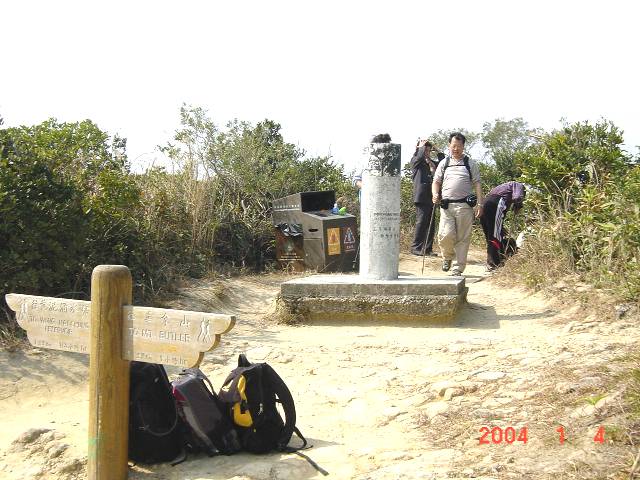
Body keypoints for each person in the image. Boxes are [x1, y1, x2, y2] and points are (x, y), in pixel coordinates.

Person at [432, 132, 483, 276]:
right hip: (446, 206)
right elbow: (436, 182)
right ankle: (447, 257)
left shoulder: (470, 163)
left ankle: (458, 268)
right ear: (449, 145)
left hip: (464, 207)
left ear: (463, 146)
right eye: (454, 146)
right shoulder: (444, 163)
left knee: (462, 238)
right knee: (445, 234)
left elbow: (477, 184)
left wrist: (480, 204)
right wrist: (435, 194)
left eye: (459, 146)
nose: (456, 149)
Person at [480, 181, 526, 270]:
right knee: (495, 235)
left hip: (485, 204)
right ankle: (495, 263)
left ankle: (493, 260)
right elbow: (518, 197)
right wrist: (518, 205)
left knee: (491, 234)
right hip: (495, 204)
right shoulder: (519, 185)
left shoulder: (503, 186)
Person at [409, 139, 439, 256]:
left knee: (431, 224)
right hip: (421, 197)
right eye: (425, 150)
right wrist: (420, 148)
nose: (427, 152)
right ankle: (416, 247)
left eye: (428, 150)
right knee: (421, 222)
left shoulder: (431, 163)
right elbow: (419, 157)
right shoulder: (416, 160)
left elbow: (443, 163)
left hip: (432, 195)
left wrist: (437, 151)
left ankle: (427, 249)